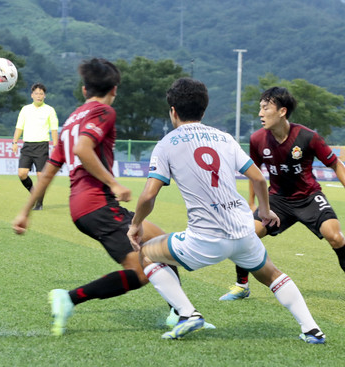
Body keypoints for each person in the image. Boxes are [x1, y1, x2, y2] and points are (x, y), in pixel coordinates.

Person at [13, 59, 207, 337]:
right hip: (98, 205)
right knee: (139, 272)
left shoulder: (70, 120)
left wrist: (24, 211)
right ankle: (69, 298)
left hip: (82, 207)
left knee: (161, 243)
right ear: (114, 89)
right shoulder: (104, 111)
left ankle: (179, 313)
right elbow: (83, 149)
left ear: (83, 89)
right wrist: (113, 183)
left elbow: (46, 173)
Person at [127, 77, 325, 343]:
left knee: (148, 256)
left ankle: (188, 314)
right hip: (244, 232)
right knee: (273, 275)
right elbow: (258, 179)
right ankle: (311, 329)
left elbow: (149, 195)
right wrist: (265, 212)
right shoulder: (224, 138)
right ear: (204, 110)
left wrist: (136, 224)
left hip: (205, 239)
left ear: (173, 111)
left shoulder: (167, 144)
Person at [219, 86, 345, 301]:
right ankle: (242, 286)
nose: (260, 114)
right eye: (260, 108)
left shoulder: (308, 137)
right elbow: (255, 173)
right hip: (277, 201)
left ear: (282, 111)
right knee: (244, 235)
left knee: (335, 237)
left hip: (309, 198)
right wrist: (251, 203)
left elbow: (336, 165)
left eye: (265, 108)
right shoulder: (257, 139)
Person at [12, 83, 58, 210]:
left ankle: (39, 204)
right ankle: (33, 193)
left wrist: (55, 145)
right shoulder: (25, 109)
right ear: (32, 95)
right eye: (36, 93)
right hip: (27, 146)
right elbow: (19, 127)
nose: (39, 96)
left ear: (45, 96)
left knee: (41, 176)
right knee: (22, 173)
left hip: (42, 146)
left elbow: (54, 129)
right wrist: (14, 142)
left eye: (41, 94)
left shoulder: (49, 110)